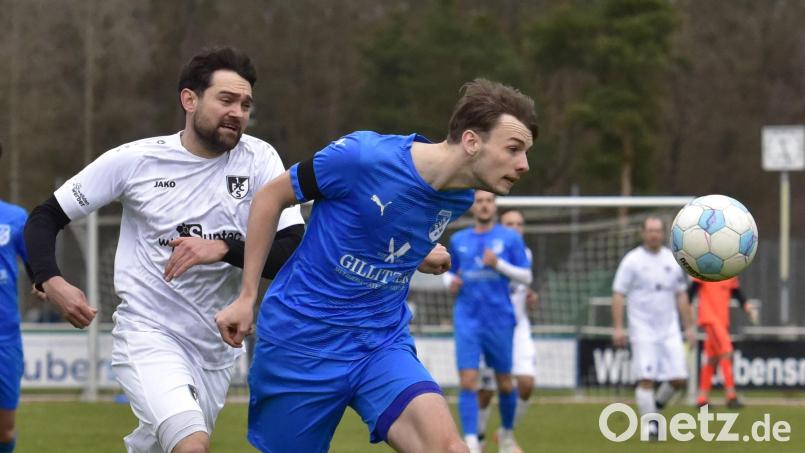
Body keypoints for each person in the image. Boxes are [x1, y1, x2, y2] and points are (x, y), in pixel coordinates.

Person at [215, 79, 538, 453]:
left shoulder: (459, 195)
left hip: (380, 343)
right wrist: (247, 295)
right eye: (514, 149)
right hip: (302, 341)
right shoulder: (362, 157)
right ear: (471, 142)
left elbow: (381, 230)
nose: (524, 164)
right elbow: (271, 197)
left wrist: (417, 252)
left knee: (449, 449)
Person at [24, 47, 305, 453]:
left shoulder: (260, 160)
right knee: (191, 445)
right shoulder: (136, 161)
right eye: (226, 100)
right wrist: (50, 280)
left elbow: (292, 250)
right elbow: (45, 217)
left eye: (245, 104)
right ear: (189, 100)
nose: (238, 112)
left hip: (216, 350)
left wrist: (223, 248)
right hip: (149, 335)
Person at [443, 193, 532, 453]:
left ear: (495, 206)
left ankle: (506, 434)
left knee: (505, 383)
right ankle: (471, 441)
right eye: (479, 200)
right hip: (468, 318)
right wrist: (451, 282)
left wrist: (499, 264)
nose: (484, 205)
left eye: (489, 201)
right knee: (468, 380)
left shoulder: (510, 238)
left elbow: (526, 276)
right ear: (473, 206)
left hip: (500, 319)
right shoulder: (459, 240)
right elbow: (449, 271)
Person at [611, 217, 695, 441]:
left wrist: (689, 328)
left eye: (657, 231)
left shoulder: (673, 260)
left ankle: (655, 407)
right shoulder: (632, 261)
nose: (654, 234)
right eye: (650, 231)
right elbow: (618, 294)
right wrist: (618, 327)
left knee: (678, 379)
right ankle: (650, 428)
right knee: (646, 378)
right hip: (642, 330)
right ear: (643, 233)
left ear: (663, 234)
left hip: (669, 330)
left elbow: (681, 295)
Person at [474, 208, 537, 453]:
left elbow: (523, 284)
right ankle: (478, 437)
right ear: (501, 226)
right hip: (491, 326)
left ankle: (505, 434)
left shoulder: (526, 253)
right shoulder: (487, 251)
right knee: (487, 389)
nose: (515, 228)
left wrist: (531, 297)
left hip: (519, 326)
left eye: (519, 224)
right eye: (510, 224)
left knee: (526, 383)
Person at [0, 142, 41, 453]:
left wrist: (43, 284)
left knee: (4, 431)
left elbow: (36, 268)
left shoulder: (14, 217)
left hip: (4, 339)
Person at [689, 276, 754, 408]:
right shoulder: (704, 269)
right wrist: (688, 315)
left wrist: (746, 305)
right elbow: (691, 291)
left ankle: (702, 399)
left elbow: (736, 291)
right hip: (710, 319)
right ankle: (731, 396)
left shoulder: (729, 271)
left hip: (722, 321)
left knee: (712, 359)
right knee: (727, 352)